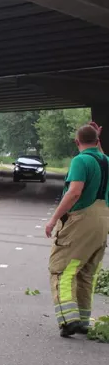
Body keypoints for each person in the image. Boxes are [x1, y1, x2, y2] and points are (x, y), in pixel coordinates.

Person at [45, 123, 109, 338]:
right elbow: (99, 155)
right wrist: (96, 139)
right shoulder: (106, 161)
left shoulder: (80, 161)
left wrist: (53, 219)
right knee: (86, 273)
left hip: (81, 219)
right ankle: (82, 320)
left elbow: (74, 193)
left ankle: (68, 319)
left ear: (76, 141)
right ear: (97, 141)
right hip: (103, 219)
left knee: (62, 270)